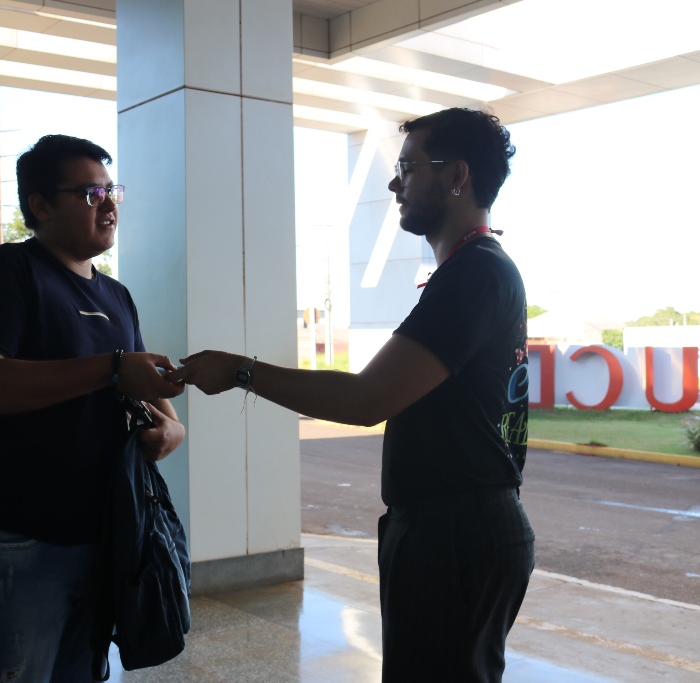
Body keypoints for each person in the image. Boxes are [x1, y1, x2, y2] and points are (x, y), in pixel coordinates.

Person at [171, 108, 533, 683]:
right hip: (451, 528)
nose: (393, 183)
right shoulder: (472, 270)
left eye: (407, 167)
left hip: (456, 536)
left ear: (456, 175)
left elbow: (367, 399)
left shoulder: (475, 274)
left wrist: (241, 371)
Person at [0, 134, 185, 683]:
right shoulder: (5, 271)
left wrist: (172, 431)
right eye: (90, 193)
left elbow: (143, 388)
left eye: (112, 191)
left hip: (104, 530)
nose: (108, 205)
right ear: (41, 205)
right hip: (18, 532)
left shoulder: (116, 296)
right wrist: (111, 366)